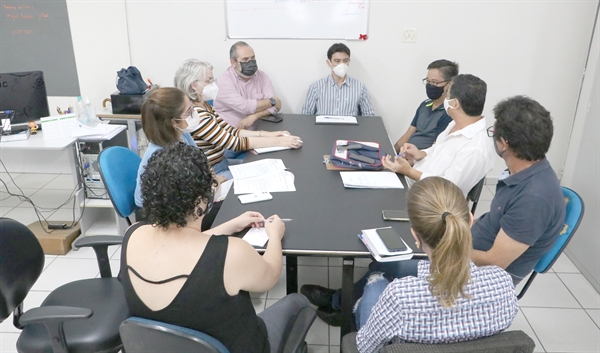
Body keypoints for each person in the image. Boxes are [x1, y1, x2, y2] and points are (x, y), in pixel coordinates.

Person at [301, 95, 565, 326]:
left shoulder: (535, 198)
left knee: (388, 263)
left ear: (505, 143)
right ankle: (341, 300)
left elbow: (496, 263)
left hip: (468, 271)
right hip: (462, 244)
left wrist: (442, 247)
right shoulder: (524, 172)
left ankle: (348, 311)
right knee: (386, 255)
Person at [122, 142, 314, 353]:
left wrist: (228, 226)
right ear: (200, 202)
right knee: (298, 301)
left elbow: (186, 247)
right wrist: (275, 236)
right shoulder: (231, 253)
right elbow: (270, 276)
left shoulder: (133, 235)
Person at [354, 177, 518, 352]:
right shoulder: (503, 284)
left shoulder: (399, 296)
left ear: (415, 237)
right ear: (470, 221)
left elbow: (366, 348)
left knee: (375, 283)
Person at [173, 59, 302, 174]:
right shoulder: (196, 115)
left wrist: (272, 134)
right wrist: (280, 142)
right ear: (194, 85)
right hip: (213, 172)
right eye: (208, 81)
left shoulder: (205, 106)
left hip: (221, 163)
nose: (213, 84)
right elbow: (233, 143)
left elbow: (232, 131)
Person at [382, 74, 494, 196]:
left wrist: (408, 171)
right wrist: (419, 155)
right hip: (415, 184)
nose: (444, 99)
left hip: (429, 201)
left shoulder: (475, 147)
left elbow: (447, 186)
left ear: (454, 104)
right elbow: (437, 151)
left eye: (447, 94)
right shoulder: (455, 124)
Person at [134, 87, 224, 229]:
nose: (194, 113)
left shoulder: (182, 134)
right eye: (189, 112)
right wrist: (213, 186)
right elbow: (179, 203)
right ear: (173, 122)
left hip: (185, 204)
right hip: (162, 217)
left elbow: (204, 166)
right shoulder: (162, 157)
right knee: (227, 214)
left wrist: (214, 182)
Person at [213, 41, 281, 131]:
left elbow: (277, 106)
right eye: (245, 59)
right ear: (233, 62)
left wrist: (254, 117)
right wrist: (272, 101)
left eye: (253, 58)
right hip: (231, 133)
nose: (251, 62)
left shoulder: (262, 76)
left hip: (258, 131)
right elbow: (245, 107)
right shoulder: (224, 81)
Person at [394, 60, 459, 151]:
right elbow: (408, 134)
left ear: (449, 84)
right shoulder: (425, 105)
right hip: (406, 154)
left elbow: (437, 148)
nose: (430, 85)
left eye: (435, 82)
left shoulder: (449, 112)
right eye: (428, 81)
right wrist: (391, 153)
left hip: (420, 160)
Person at [301, 43, 375, 117]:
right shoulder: (316, 87)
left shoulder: (360, 87)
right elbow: (306, 115)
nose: (342, 64)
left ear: (349, 61)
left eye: (345, 60)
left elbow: (369, 116)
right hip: (323, 128)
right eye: (337, 61)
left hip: (351, 128)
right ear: (329, 63)